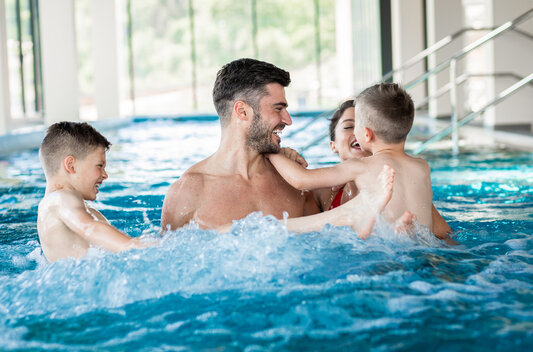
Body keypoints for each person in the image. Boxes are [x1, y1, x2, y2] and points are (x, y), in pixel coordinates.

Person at [161, 58, 409, 237]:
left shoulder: (294, 182)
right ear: (242, 111)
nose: (288, 120)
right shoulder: (187, 193)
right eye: (278, 109)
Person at [268, 83, 440, 235]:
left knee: (271, 227)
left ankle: (373, 227)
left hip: (382, 250)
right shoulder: (422, 166)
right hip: (425, 247)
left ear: (366, 133)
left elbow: (301, 179)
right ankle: (396, 231)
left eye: (355, 125)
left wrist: (270, 150)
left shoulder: (360, 166)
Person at [315, 99, 453, 239]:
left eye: (363, 126)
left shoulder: (399, 187)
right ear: (333, 145)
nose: (358, 132)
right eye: (349, 126)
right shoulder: (322, 192)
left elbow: (447, 238)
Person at [37, 122, 148, 262]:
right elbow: (89, 228)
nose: (105, 175)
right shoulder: (59, 199)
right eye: (99, 166)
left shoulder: (74, 206)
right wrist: (135, 245)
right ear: (71, 165)